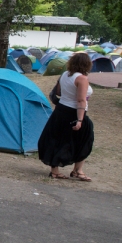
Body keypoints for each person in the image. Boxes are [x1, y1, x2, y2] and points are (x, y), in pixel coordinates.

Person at [38, 53, 94, 181]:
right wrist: (80, 120)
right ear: (86, 64)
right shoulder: (82, 79)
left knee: (57, 139)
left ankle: (55, 171)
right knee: (85, 139)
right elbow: (80, 100)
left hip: (61, 110)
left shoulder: (65, 75)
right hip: (74, 112)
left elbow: (58, 92)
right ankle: (77, 170)